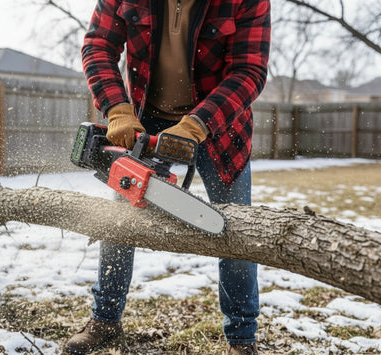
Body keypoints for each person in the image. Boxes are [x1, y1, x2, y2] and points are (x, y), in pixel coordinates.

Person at [65, 0, 270, 354]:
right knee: (120, 223)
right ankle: (105, 320)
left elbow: (249, 72)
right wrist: (117, 109)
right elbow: (98, 46)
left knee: (236, 231)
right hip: (144, 119)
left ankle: (242, 339)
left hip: (219, 126)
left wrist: (196, 124)